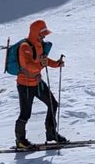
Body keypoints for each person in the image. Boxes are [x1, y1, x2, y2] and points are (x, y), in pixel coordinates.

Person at [14, 19, 68, 150]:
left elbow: (44, 60)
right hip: (25, 84)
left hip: (37, 83)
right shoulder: (25, 47)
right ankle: (20, 141)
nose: (44, 36)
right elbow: (27, 66)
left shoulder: (39, 44)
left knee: (52, 104)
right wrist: (41, 64)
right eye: (42, 34)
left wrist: (56, 64)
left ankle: (51, 134)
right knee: (25, 114)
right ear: (35, 33)